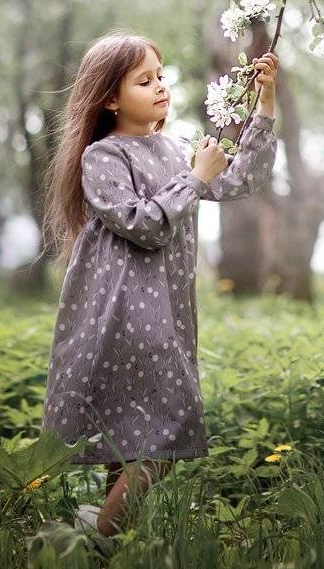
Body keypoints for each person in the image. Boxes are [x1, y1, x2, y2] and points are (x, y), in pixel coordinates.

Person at [39, 32, 280, 540]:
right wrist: (194, 180)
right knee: (159, 440)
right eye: (143, 81)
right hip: (122, 314)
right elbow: (141, 223)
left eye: (161, 76)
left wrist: (265, 102)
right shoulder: (103, 157)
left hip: (166, 311)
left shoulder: (175, 148)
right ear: (109, 98)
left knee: (136, 438)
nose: (160, 88)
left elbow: (242, 180)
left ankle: (107, 536)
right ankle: (98, 547)